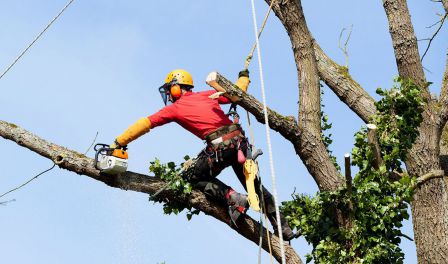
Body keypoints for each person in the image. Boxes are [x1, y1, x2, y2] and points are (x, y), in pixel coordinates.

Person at [112, 69, 298, 241]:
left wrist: (120, 142)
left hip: (221, 147)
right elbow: (238, 93)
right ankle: (283, 227)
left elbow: (146, 123)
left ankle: (232, 197)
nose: (169, 95)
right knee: (256, 187)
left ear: (177, 88)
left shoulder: (175, 108)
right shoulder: (208, 95)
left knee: (192, 178)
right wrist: (244, 77)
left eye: (170, 90)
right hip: (240, 144)